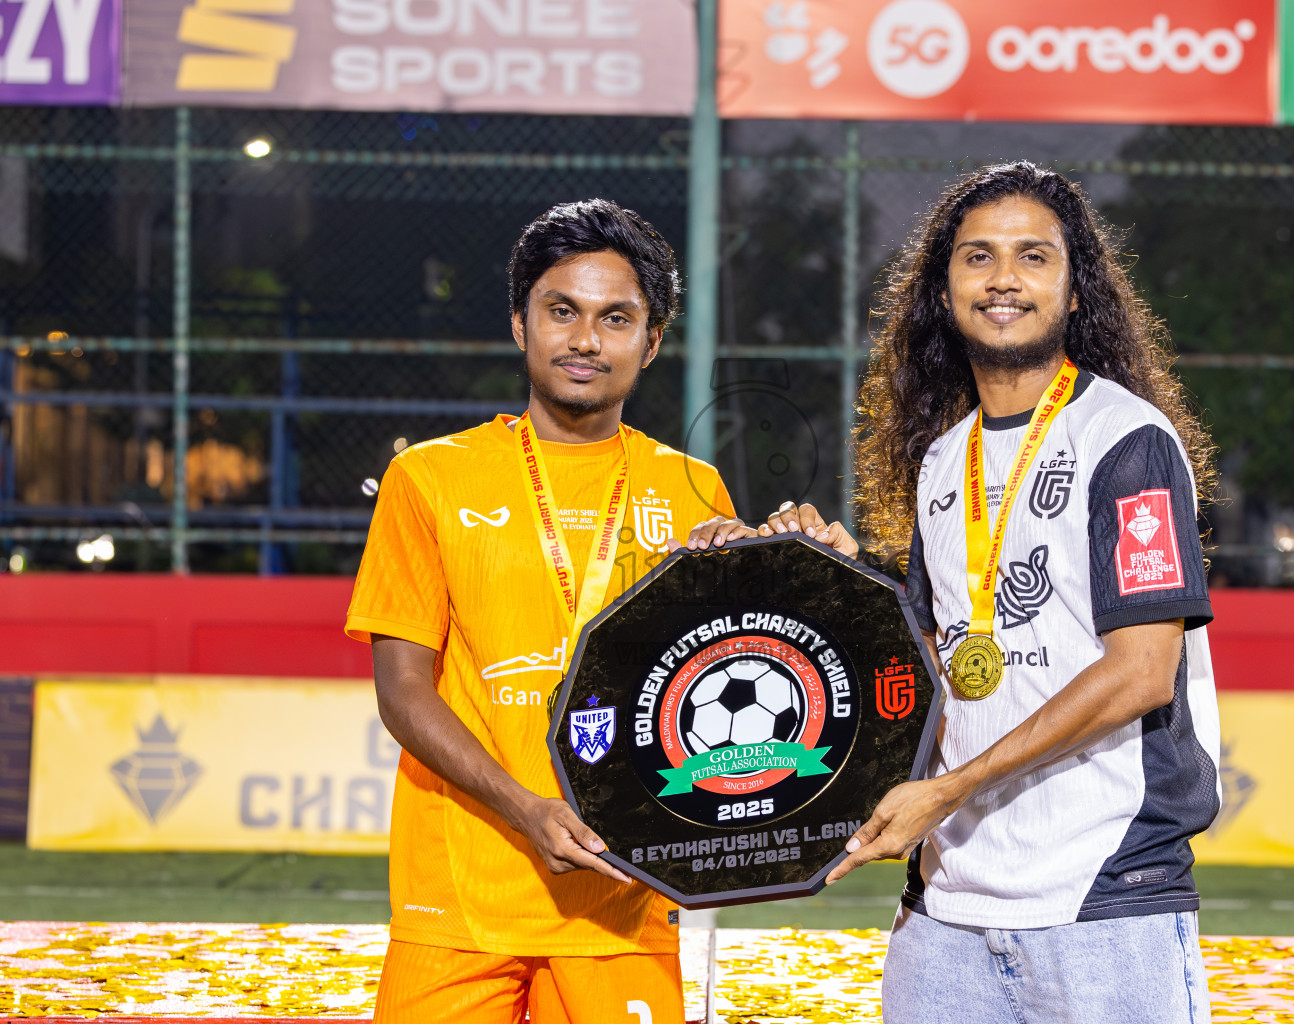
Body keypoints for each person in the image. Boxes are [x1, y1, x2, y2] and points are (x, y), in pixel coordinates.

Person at [690, 161, 1221, 1023]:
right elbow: (935, 662)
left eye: (1033, 257)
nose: (1004, 277)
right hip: (947, 912)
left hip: (1101, 899)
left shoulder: (1125, 441)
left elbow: (1143, 672)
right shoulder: (945, 461)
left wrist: (948, 789)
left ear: (1075, 290)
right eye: (977, 257)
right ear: (944, 290)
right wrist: (827, 579)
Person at [346, 199, 734, 1024]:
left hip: (625, 899)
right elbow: (403, 691)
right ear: (522, 325)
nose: (586, 340)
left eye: (616, 319)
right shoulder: (431, 480)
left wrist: (786, 566)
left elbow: (725, 687)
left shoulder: (695, 491)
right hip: (457, 896)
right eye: (562, 311)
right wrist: (526, 809)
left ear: (652, 342)